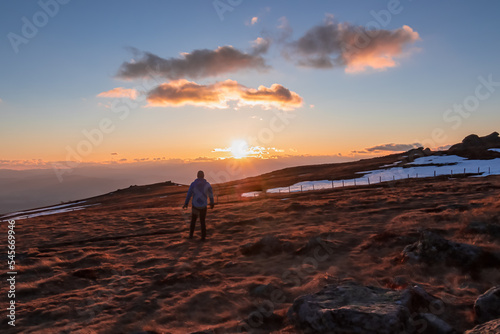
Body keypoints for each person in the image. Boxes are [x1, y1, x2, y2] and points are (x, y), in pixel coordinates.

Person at [183, 170, 214, 241]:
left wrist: (186, 203)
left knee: (193, 221)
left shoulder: (193, 184)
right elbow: (211, 195)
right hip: (203, 206)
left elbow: (189, 194)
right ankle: (203, 237)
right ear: (203, 176)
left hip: (195, 206)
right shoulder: (207, 184)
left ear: (197, 176)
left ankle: (191, 236)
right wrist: (212, 203)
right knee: (202, 221)